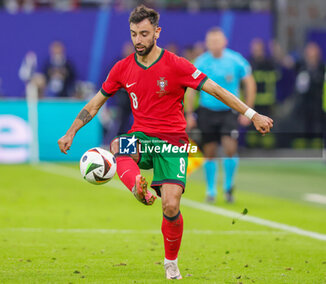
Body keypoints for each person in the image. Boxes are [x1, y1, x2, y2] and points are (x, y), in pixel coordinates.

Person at [58, 6, 272, 280]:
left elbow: (217, 90)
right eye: (134, 34)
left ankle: (171, 262)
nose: (138, 40)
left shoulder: (176, 65)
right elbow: (96, 102)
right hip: (143, 137)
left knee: (171, 206)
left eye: (144, 34)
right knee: (117, 146)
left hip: (172, 143)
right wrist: (71, 131)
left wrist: (252, 115)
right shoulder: (122, 68)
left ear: (157, 33)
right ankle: (138, 187)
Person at [186, 27, 256, 203]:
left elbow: (250, 83)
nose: (215, 44)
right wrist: (189, 114)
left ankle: (228, 187)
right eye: (211, 41)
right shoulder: (200, 62)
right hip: (207, 112)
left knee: (229, 147)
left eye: (218, 41)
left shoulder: (236, 61)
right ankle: (210, 190)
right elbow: (190, 89)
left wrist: (248, 110)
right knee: (209, 151)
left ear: (224, 42)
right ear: (207, 43)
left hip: (229, 112)